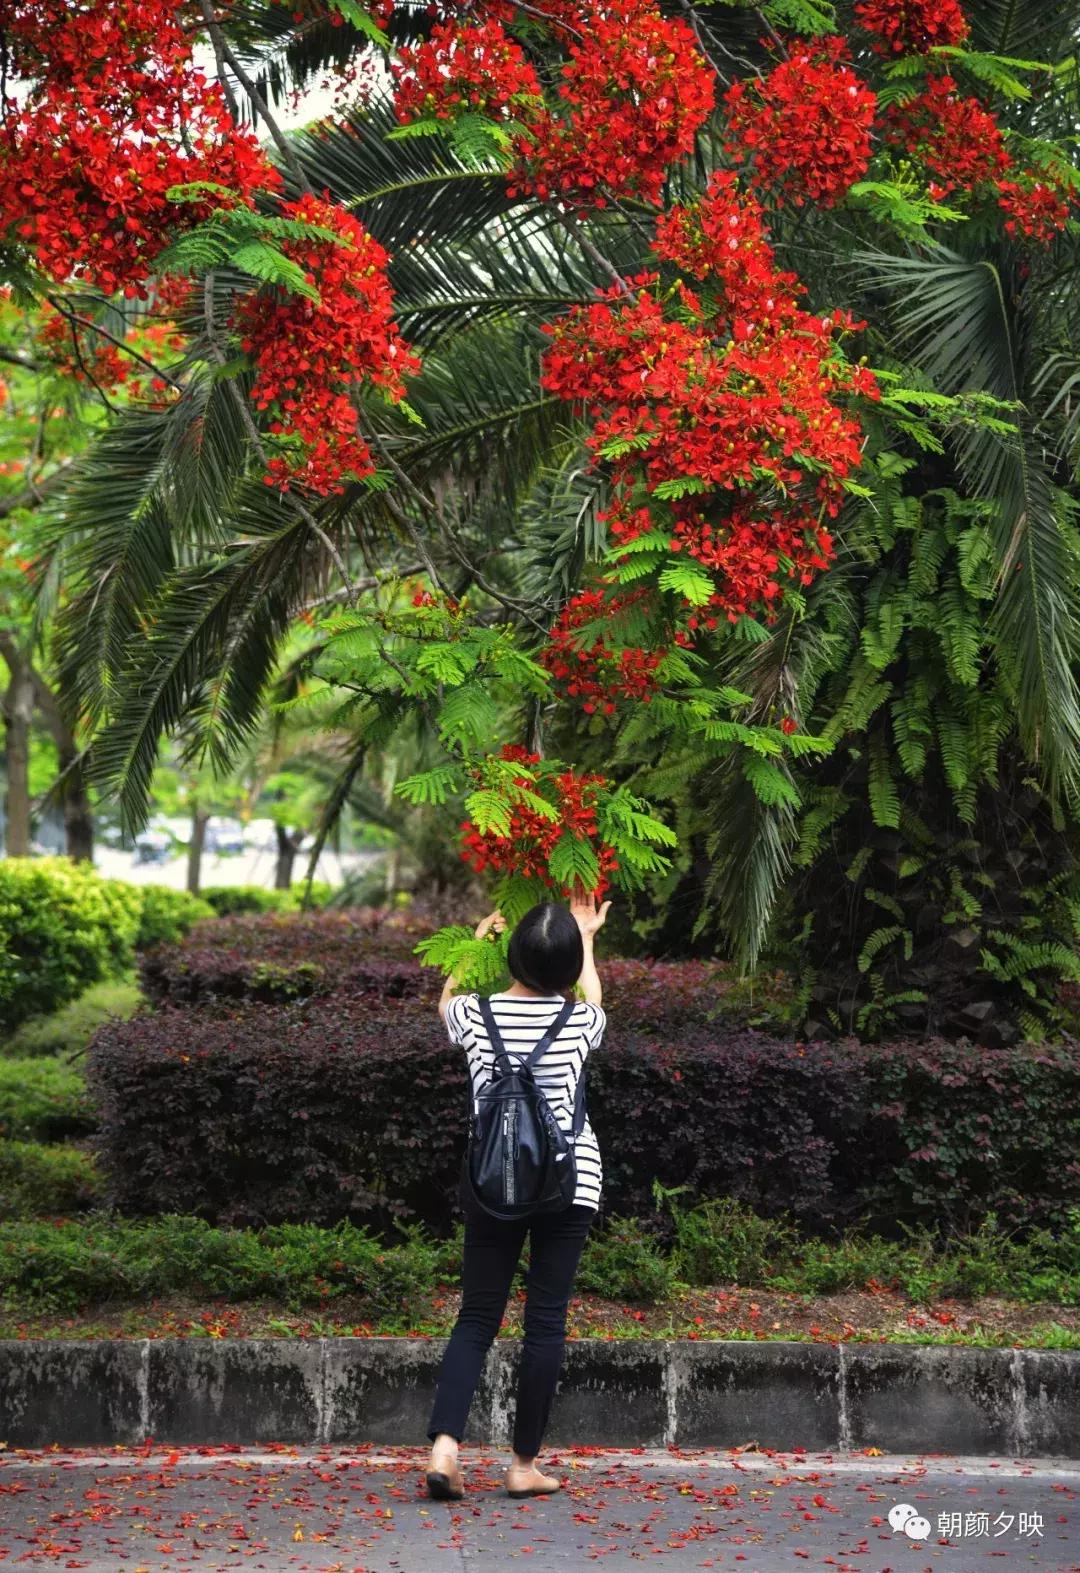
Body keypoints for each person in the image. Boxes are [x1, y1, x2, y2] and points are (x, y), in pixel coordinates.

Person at [425, 889, 611, 1501]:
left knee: (476, 1317)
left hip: (491, 1182)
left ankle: (445, 1450)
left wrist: (471, 948)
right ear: (564, 970)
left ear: (511, 956)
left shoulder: (475, 1015)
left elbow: (446, 1002)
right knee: (545, 1323)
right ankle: (523, 1465)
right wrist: (585, 936)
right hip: (569, 1182)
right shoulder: (581, 1021)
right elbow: (593, 996)